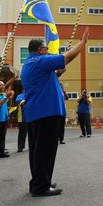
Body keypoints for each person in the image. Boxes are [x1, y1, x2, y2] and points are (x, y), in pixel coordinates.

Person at [21, 28, 88, 197]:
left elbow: (51, 74)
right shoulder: (39, 61)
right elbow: (67, 57)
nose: (48, 50)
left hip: (39, 113)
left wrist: (57, 72)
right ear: (40, 50)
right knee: (45, 150)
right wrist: (82, 43)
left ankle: (39, 181)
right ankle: (41, 186)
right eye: (46, 48)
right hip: (46, 113)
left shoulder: (32, 63)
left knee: (38, 150)